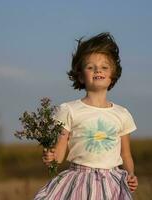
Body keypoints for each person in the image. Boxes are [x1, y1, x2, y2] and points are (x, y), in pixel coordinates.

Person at [34, 32, 138, 200]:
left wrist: (131, 174)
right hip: (78, 181)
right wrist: (50, 157)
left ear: (112, 75)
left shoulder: (122, 114)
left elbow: (125, 154)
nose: (98, 70)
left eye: (104, 67)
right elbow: (59, 154)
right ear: (81, 76)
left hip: (112, 183)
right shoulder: (69, 110)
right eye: (90, 67)